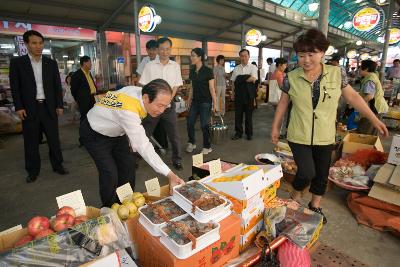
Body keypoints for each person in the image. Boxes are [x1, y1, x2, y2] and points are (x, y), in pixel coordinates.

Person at [271, 29, 388, 224]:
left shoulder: (336, 73)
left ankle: (315, 205)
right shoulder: (291, 77)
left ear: (322, 53)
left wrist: (374, 119)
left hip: (325, 134)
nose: (306, 60)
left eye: (311, 54)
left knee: (322, 173)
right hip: (298, 133)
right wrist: (275, 127)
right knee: (307, 171)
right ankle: (295, 196)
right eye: (301, 55)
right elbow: (283, 103)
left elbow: (353, 97)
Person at [80, 79, 185, 207]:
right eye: (160, 105)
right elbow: (144, 146)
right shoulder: (128, 110)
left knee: (128, 167)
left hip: (117, 132)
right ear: (146, 98)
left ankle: (127, 203)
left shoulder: (139, 92)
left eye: (165, 106)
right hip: (95, 133)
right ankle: (110, 209)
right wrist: (170, 174)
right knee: (110, 173)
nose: (162, 111)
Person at [9, 30, 68, 183]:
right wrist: (19, 107)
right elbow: (15, 87)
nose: (38, 46)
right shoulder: (17, 63)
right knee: (30, 141)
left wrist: (59, 105)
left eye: (41, 43)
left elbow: (56, 86)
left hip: (48, 108)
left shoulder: (51, 63)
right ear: (27, 44)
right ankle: (32, 170)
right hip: (29, 109)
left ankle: (58, 165)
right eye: (34, 43)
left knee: (54, 139)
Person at [139, 37, 183, 170]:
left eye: (167, 49)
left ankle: (177, 159)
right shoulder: (149, 66)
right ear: (157, 50)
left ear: (171, 50)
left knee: (174, 135)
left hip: (169, 107)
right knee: (144, 133)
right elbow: (143, 85)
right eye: (162, 49)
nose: (165, 52)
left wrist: (168, 100)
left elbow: (176, 85)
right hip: (152, 108)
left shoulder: (175, 66)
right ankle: (135, 157)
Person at [186, 48, 217, 155]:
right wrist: (189, 100)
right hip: (195, 101)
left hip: (205, 102)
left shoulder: (208, 71)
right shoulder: (192, 71)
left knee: (204, 125)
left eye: (193, 55)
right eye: (191, 55)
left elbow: (212, 89)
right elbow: (192, 87)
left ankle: (207, 146)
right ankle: (191, 142)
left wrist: (215, 104)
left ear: (199, 57)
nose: (191, 57)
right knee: (190, 122)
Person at [231, 49, 258, 141]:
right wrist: (232, 93)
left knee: (248, 116)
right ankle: (238, 133)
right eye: (242, 56)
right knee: (238, 115)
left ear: (249, 56)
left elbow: (253, 79)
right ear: (240, 57)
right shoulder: (236, 68)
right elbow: (233, 82)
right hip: (238, 94)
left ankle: (249, 133)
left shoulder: (253, 67)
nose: (243, 58)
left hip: (249, 95)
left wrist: (240, 78)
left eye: (245, 56)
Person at [357, 59, 389, 135]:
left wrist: (358, 104)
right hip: (378, 108)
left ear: (366, 69)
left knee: (365, 132)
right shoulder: (372, 76)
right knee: (371, 132)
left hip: (375, 108)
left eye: (360, 67)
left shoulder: (369, 79)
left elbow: (370, 96)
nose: (359, 69)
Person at [71, 56, 97, 122]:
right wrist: (79, 100)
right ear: (84, 63)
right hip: (84, 100)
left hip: (93, 98)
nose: (91, 64)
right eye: (90, 62)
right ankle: (83, 131)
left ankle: (91, 131)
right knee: (85, 118)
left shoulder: (89, 73)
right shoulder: (77, 75)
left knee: (92, 117)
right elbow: (73, 89)